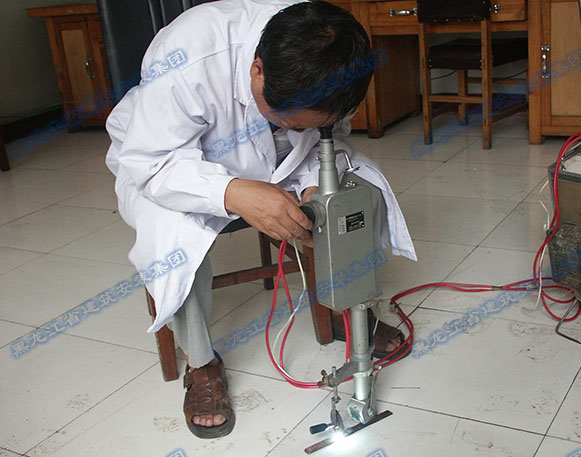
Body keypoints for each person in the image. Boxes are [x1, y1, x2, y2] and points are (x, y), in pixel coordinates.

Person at [105, 0, 416, 439]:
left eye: (306, 123)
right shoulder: (188, 52)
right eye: (287, 119)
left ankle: (349, 310)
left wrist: (316, 183)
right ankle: (201, 362)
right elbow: (151, 161)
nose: (295, 127)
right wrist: (232, 192)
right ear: (257, 70)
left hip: (280, 159)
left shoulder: (331, 52)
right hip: (176, 161)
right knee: (174, 240)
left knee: (356, 195)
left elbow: (328, 135)